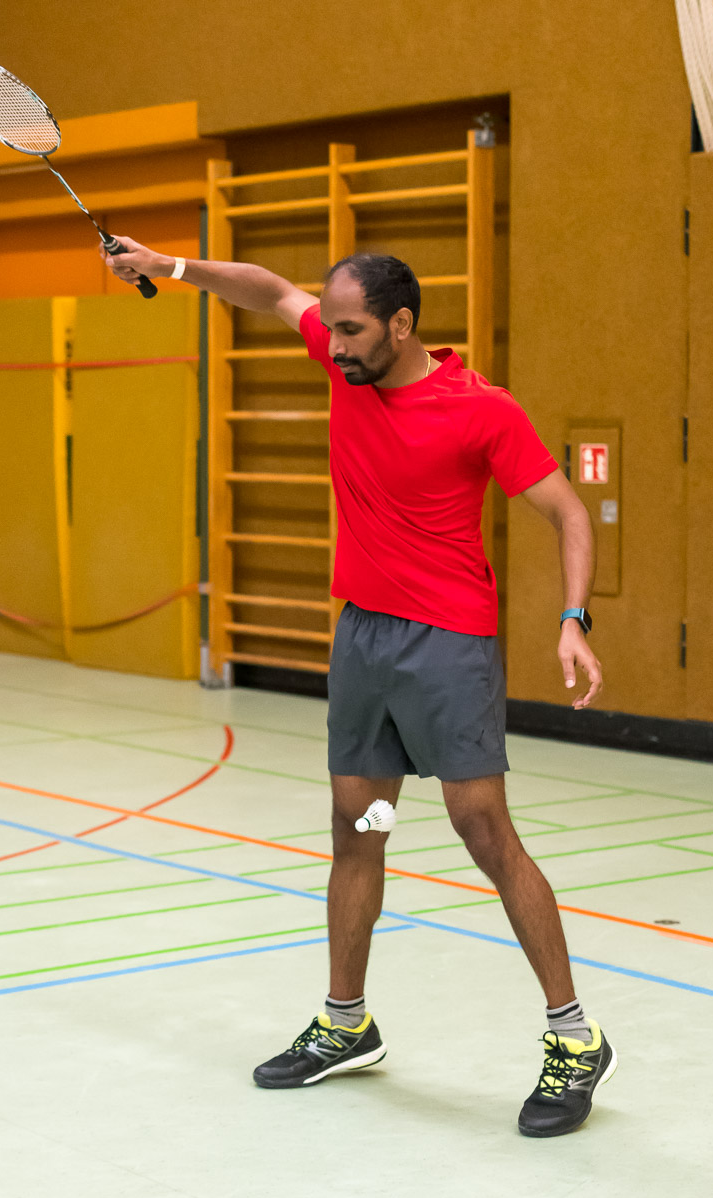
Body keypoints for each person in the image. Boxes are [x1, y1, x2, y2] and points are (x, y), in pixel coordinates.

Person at [101, 239, 616, 1138]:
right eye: (330, 328)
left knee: (481, 829)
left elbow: (566, 511)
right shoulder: (346, 363)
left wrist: (574, 619)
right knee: (359, 825)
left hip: (447, 647)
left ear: (399, 325)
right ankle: (347, 1023)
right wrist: (168, 266)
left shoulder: (480, 410)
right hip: (365, 642)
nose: (332, 345)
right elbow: (268, 290)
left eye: (350, 331)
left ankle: (575, 1038)